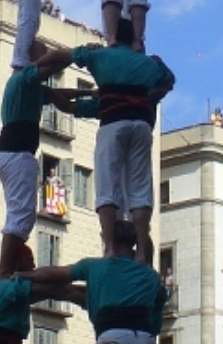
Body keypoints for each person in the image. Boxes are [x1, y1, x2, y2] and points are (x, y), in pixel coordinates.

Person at [36, 20, 174, 262]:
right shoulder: (148, 64)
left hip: (113, 123)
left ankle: (109, 248)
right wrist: (150, 91)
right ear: (133, 39)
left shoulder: (100, 56)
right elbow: (168, 80)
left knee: (106, 186)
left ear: (112, 36)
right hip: (142, 125)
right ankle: (142, 250)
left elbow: (61, 59)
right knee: (140, 189)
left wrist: (34, 71)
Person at [19, 221, 164, 344]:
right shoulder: (151, 275)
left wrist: (25, 275)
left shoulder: (94, 266)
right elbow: (156, 321)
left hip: (111, 336)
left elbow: (54, 274)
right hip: (143, 341)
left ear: (108, 239)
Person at [0, 40, 69, 280]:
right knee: (21, 215)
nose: (46, 61)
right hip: (17, 152)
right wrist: (79, 54)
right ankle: (4, 271)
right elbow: (49, 68)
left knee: (22, 214)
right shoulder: (24, 78)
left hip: (13, 152)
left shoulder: (31, 87)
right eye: (42, 56)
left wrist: (91, 93)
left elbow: (61, 96)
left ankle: (7, 268)